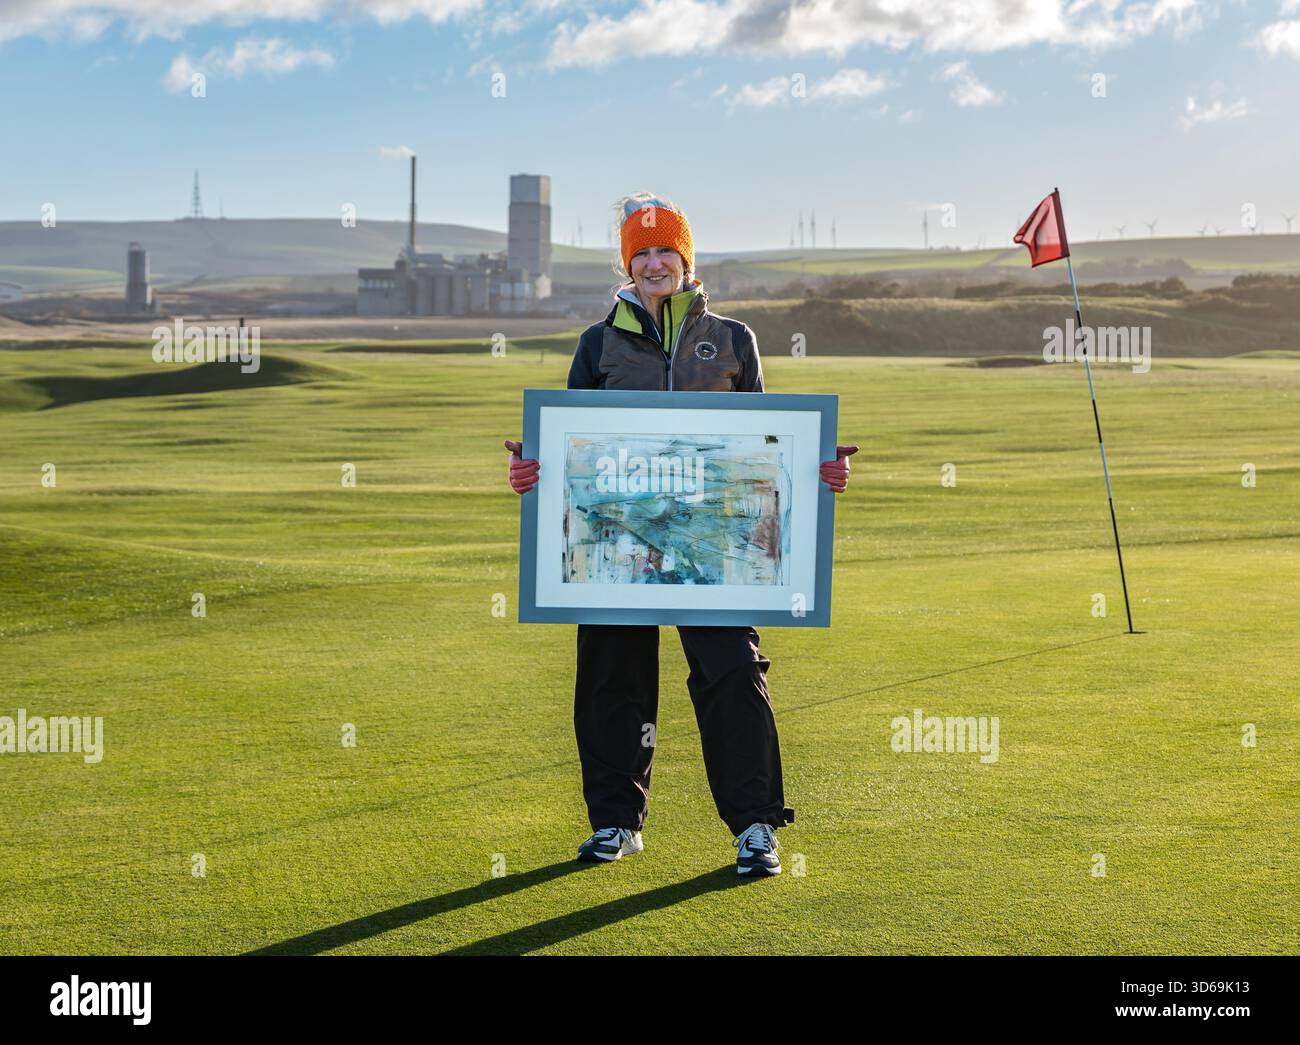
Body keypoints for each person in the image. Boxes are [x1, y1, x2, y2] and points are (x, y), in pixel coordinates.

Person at [505, 192, 857, 876]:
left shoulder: (731, 338)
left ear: (686, 258)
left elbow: (766, 446)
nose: (654, 262)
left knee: (732, 672)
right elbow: (569, 450)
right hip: (618, 544)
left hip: (713, 547)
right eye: (641, 253)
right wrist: (531, 472)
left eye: (666, 249)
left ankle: (755, 827)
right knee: (611, 675)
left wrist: (819, 471)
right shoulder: (596, 343)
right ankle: (615, 822)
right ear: (628, 265)